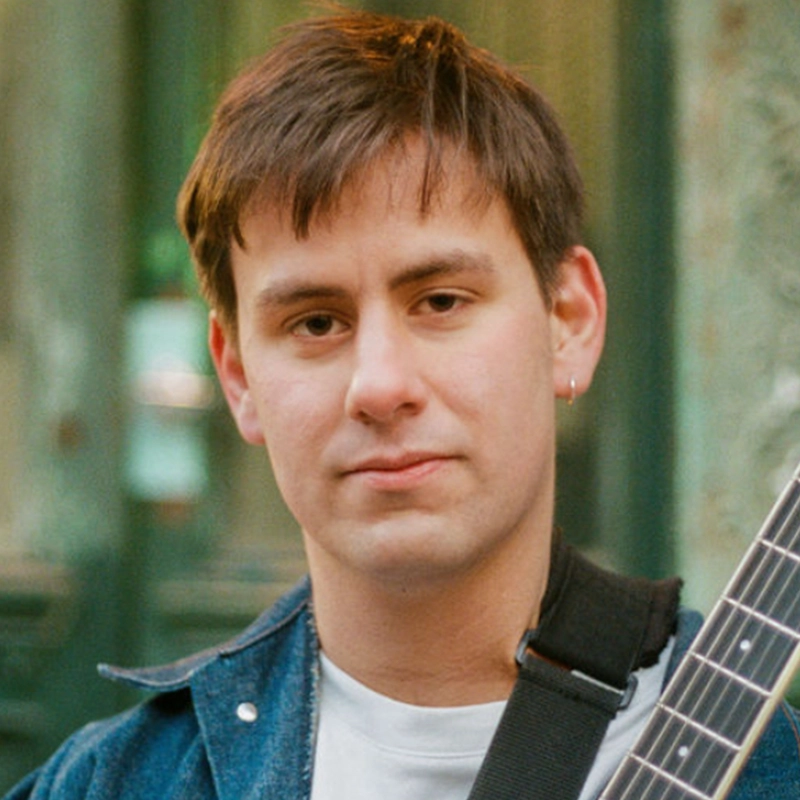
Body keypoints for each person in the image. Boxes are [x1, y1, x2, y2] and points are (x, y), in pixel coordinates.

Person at [6, 9, 800, 800]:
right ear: (238, 378)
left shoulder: (772, 769)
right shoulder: (114, 783)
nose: (380, 386)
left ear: (570, 322)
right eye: (315, 322)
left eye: (442, 301)